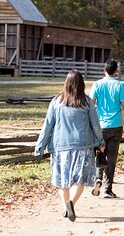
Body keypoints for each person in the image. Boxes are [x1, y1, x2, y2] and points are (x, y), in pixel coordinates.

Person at [35, 70, 104, 222]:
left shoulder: (56, 101)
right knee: (80, 179)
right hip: (83, 146)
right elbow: (95, 125)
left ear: (66, 83)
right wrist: (101, 142)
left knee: (62, 179)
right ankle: (71, 203)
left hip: (60, 147)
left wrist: (40, 146)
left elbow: (47, 125)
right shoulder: (86, 102)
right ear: (82, 84)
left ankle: (65, 207)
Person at [90, 59, 124, 198]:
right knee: (112, 158)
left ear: (104, 70)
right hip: (116, 126)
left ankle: (98, 178)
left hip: (100, 127)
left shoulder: (97, 85)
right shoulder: (120, 86)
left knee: (100, 154)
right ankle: (108, 189)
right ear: (115, 72)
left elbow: (90, 105)